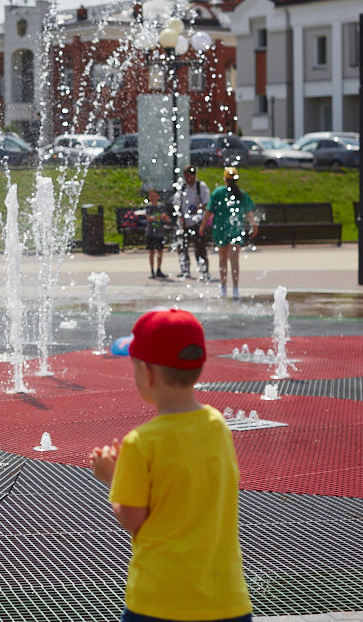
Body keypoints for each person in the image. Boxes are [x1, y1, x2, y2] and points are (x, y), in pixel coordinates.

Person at [90, 308, 252, 622]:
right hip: (227, 599)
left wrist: (113, 476)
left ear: (147, 373)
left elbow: (132, 518)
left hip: (160, 601)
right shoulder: (218, 425)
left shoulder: (141, 442)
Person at [200, 167, 256, 301]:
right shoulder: (241, 194)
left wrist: (202, 225)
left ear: (225, 180)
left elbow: (209, 211)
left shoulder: (219, 192)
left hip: (221, 229)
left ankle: (224, 286)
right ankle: (235, 288)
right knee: (234, 258)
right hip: (235, 228)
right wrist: (254, 224)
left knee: (223, 258)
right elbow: (249, 213)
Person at [175, 166, 211, 280]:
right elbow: (177, 205)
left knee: (200, 248)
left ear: (194, 175)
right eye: (186, 176)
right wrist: (181, 217)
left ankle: (204, 271)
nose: (188, 178)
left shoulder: (201, 187)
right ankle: (185, 270)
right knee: (182, 247)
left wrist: (197, 208)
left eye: (190, 176)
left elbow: (207, 203)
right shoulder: (182, 188)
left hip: (198, 222)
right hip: (184, 223)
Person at [144, 189, 170, 279]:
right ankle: (152, 270)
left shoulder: (162, 206)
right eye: (151, 196)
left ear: (158, 196)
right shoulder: (148, 207)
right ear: (149, 197)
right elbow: (149, 218)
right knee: (151, 251)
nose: (153, 198)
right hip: (150, 232)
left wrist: (166, 218)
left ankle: (158, 269)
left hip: (160, 232)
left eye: (154, 196)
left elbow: (167, 218)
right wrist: (159, 217)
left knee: (160, 251)